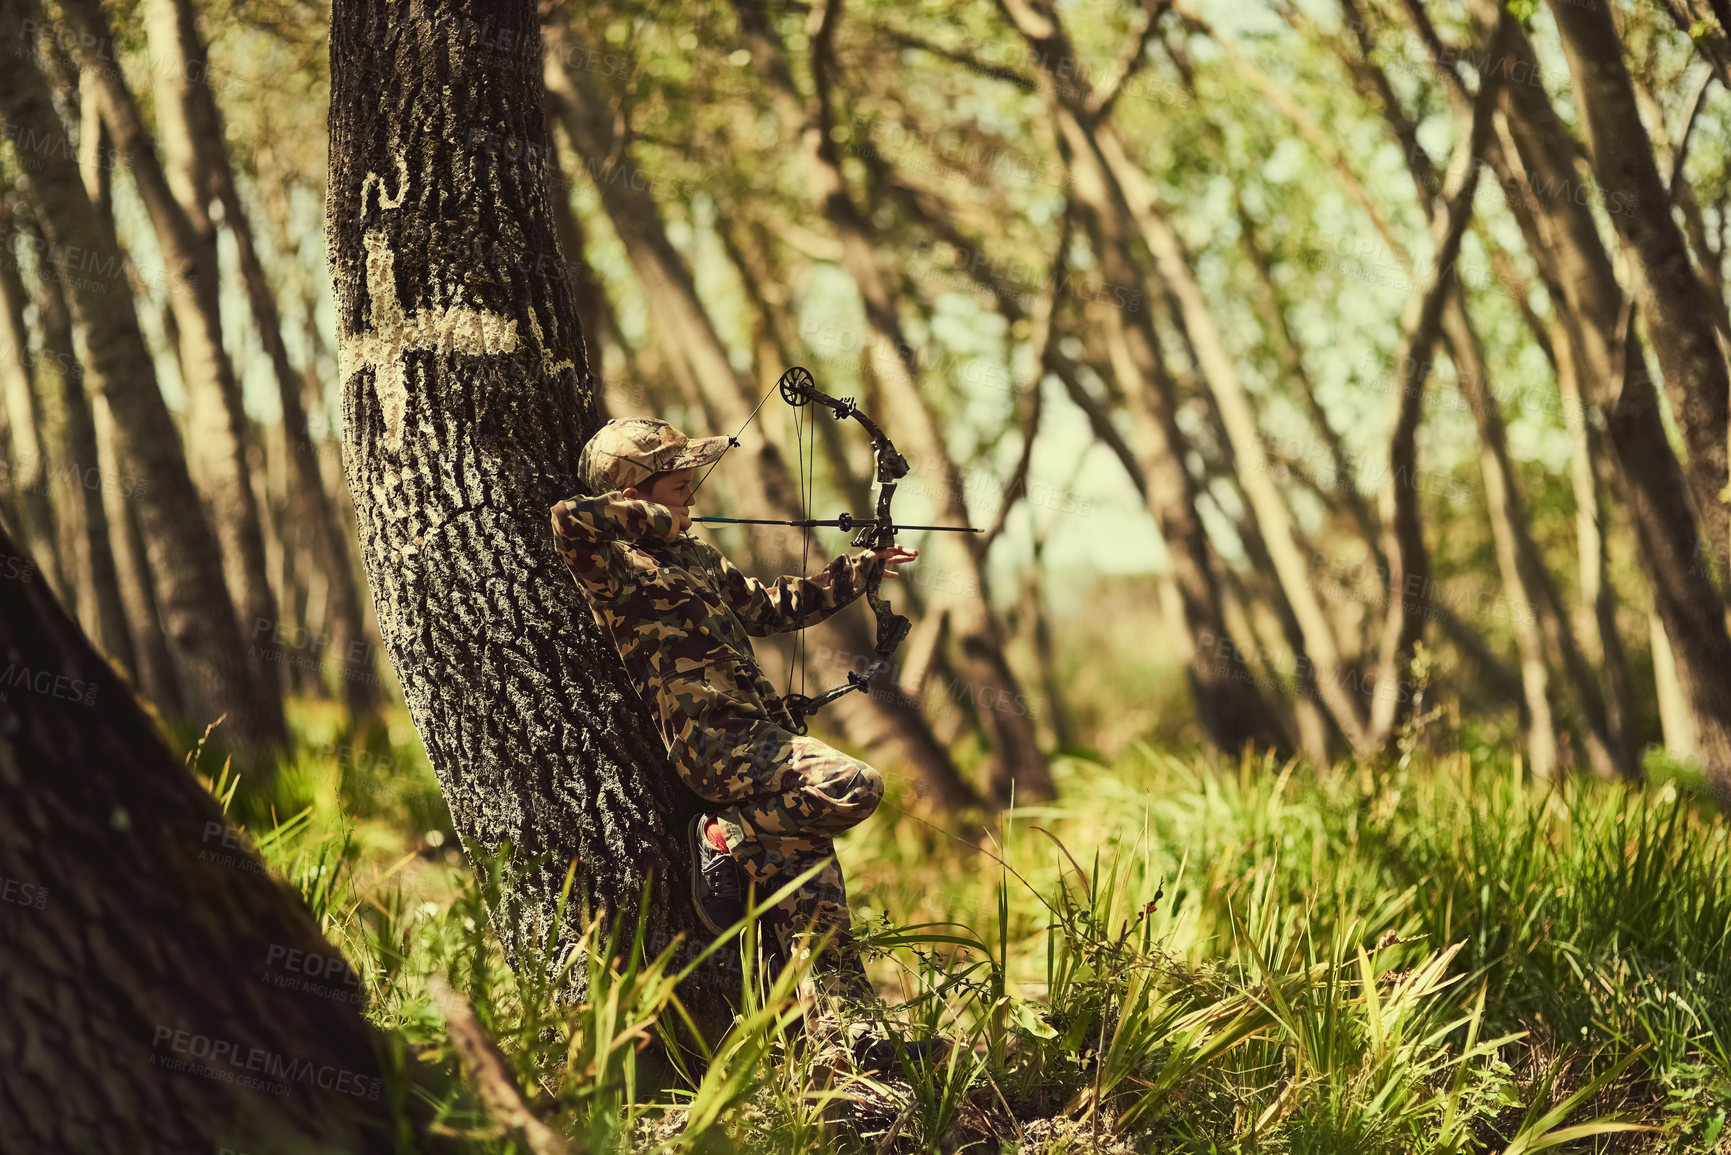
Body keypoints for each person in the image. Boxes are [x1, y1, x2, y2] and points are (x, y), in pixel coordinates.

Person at [548, 416, 919, 1032]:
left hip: (757, 733)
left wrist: (860, 571)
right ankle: (729, 840)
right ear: (634, 494)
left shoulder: (696, 555)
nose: (692, 497)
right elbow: (568, 518)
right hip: (713, 743)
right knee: (856, 784)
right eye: (678, 486)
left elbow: (767, 608)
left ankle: (845, 1041)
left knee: (815, 899)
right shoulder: (614, 567)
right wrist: (651, 519)